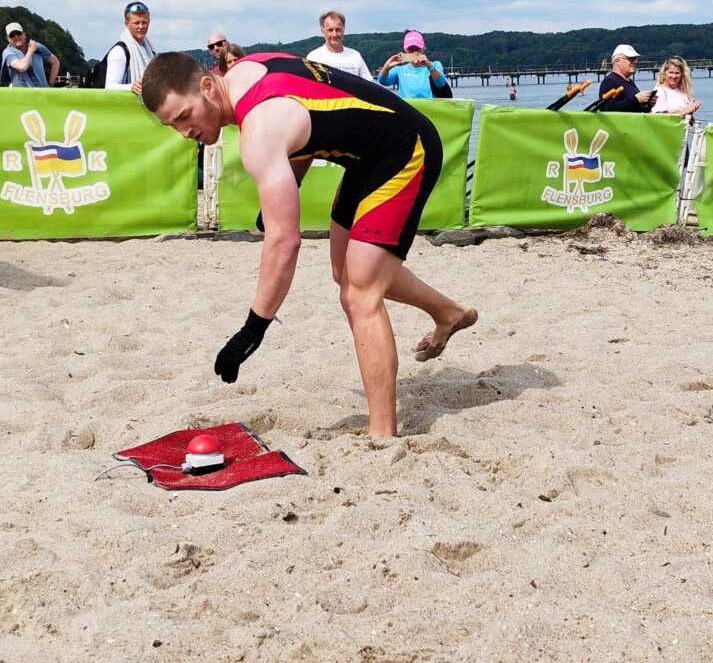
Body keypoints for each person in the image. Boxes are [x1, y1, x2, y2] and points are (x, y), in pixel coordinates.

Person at [140, 51, 477, 437]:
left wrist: (253, 328)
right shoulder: (247, 70)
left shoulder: (258, 132)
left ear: (207, 86)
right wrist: (292, 182)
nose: (184, 132)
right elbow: (306, 116)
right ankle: (448, 313)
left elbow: (285, 242)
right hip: (365, 157)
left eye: (184, 116)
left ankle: (382, 433)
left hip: (405, 149)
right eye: (172, 125)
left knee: (360, 294)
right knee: (345, 272)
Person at [377, 30, 448, 99]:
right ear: (405, 49)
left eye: (417, 48)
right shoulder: (399, 70)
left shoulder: (435, 65)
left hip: (428, 106)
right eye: (411, 49)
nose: (414, 52)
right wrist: (386, 67)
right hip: (407, 107)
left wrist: (429, 66)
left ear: (423, 48)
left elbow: (441, 83)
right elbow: (383, 81)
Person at [105, 1, 156, 94]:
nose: (141, 26)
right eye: (136, 23)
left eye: (144, 22)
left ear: (149, 22)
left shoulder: (150, 52)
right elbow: (109, 87)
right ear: (126, 24)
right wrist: (131, 87)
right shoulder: (119, 52)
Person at [306, 11, 372, 80]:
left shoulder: (355, 56)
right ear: (322, 31)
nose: (334, 34)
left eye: (338, 30)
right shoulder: (314, 57)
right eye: (330, 30)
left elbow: (368, 83)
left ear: (343, 29)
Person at [597, 44, 654, 112]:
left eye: (635, 59)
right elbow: (607, 109)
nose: (634, 62)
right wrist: (636, 99)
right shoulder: (610, 81)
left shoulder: (630, 82)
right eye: (630, 59)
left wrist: (648, 105)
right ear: (617, 61)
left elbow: (634, 108)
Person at [1, 22, 60, 88]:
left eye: (18, 33)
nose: (16, 36)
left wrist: (51, 84)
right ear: (8, 39)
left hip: (42, 91)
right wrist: (31, 50)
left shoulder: (37, 46)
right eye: (12, 35)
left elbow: (55, 62)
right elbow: (22, 67)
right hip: (22, 93)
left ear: (24, 34)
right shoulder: (8, 52)